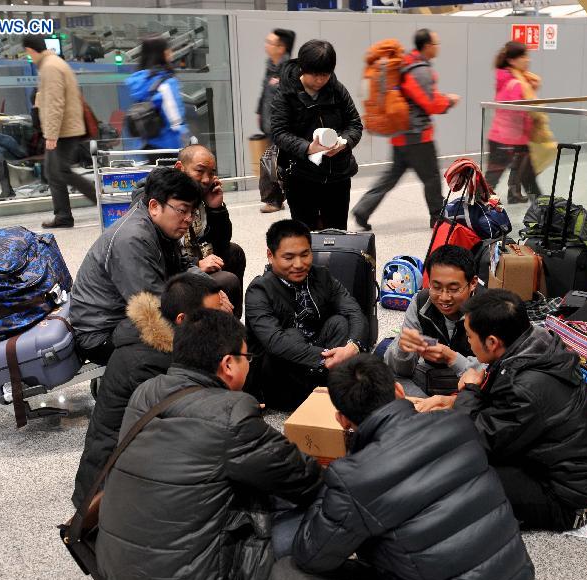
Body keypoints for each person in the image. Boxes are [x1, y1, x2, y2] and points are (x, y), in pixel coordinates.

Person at [268, 354, 535, 580]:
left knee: (285, 576)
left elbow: (312, 556)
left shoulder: (355, 476)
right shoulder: (458, 424)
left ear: (341, 419)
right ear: (398, 389)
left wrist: (338, 475)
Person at [95, 309, 322, 580]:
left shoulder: (146, 393)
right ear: (228, 364)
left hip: (122, 574)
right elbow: (303, 478)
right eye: (247, 357)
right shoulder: (232, 412)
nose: (248, 363)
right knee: (327, 510)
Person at [419, 289, 587, 531]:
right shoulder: (536, 345)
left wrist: (469, 389)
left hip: (567, 500)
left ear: (492, 342)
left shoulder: (525, 387)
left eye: (469, 336)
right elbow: (497, 414)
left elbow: (472, 440)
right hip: (566, 472)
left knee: (452, 473)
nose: (468, 342)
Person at [71, 273, 230, 509]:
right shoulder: (152, 363)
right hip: (110, 489)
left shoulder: (165, 340)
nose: (223, 318)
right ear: (182, 319)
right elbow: (178, 430)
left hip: (131, 465)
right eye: (214, 314)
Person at [69, 166, 200, 365]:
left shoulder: (162, 227)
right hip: (101, 333)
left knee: (217, 292)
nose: (189, 219)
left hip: (126, 315)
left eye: (192, 212)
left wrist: (211, 291)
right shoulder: (132, 239)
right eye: (183, 210)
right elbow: (151, 306)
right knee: (201, 338)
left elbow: (181, 266)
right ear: (155, 206)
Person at [245, 219, 366, 409]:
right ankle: (325, 389)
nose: (299, 264)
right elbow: (274, 341)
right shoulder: (259, 290)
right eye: (289, 257)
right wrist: (327, 357)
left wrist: (352, 347)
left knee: (339, 323)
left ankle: (329, 387)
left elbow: (354, 311)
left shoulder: (322, 276)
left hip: (317, 362)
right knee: (292, 335)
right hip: (279, 377)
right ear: (270, 255)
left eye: (305, 254)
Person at [352, 29, 460, 231]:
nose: (438, 48)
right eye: (436, 44)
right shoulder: (419, 70)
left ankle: (363, 209)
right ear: (427, 46)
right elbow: (429, 102)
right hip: (417, 136)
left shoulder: (406, 64)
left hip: (400, 135)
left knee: (391, 176)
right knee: (431, 177)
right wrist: (449, 101)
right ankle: (437, 217)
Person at [270, 39, 363, 230]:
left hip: (338, 175)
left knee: (337, 234)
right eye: (315, 75)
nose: (320, 80)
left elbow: (355, 124)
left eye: (325, 75)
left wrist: (344, 143)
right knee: (305, 235)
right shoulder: (286, 93)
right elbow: (279, 132)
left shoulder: (337, 90)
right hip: (301, 177)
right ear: (303, 68)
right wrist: (308, 148)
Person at [383, 245, 482, 397]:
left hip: (473, 387)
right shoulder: (421, 302)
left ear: (473, 283)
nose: (444, 297)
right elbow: (399, 372)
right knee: (386, 374)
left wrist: (452, 358)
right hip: (430, 380)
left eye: (453, 289)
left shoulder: (488, 310)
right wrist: (403, 348)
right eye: (436, 287)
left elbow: (496, 372)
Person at [22, 34, 97, 228]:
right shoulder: (53, 63)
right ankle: (64, 216)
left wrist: (51, 135)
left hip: (64, 131)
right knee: (55, 172)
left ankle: (99, 201)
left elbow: (55, 103)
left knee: (61, 172)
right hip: (65, 129)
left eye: (28, 54)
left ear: (30, 50)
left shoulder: (50, 67)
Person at [175, 144, 247, 317]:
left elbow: (221, 243)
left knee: (234, 252)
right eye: (200, 171)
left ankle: (231, 324)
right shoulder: (166, 198)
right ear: (180, 168)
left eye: (211, 172)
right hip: (175, 270)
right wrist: (195, 265)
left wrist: (216, 209)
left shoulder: (200, 196)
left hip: (194, 258)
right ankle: (221, 329)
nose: (207, 180)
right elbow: (164, 253)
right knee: (228, 281)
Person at [485, 41, 542, 204]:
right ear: (511, 60)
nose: (527, 60)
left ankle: (535, 206)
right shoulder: (517, 83)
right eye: (523, 56)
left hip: (510, 138)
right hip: (507, 139)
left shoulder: (509, 78)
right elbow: (522, 111)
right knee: (495, 180)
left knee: (523, 176)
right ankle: (543, 212)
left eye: (527, 56)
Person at [125, 36, 188, 154]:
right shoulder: (167, 82)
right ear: (162, 53)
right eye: (168, 49)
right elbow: (174, 118)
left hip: (146, 144)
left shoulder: (140, 80)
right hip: (169, 145)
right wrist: (185, 141)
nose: (171, 52)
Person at [257, 28, 295, 214]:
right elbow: (264, 92)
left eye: (270, 42)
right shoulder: (270, 65)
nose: (266, 45)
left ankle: (274, 200)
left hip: (283, 127)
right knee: (274, 162)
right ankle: (279, 197)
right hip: (270, 124)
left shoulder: (288, 69)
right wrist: (259, 111)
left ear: (281, 48)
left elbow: (291, 99)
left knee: (269, 161)